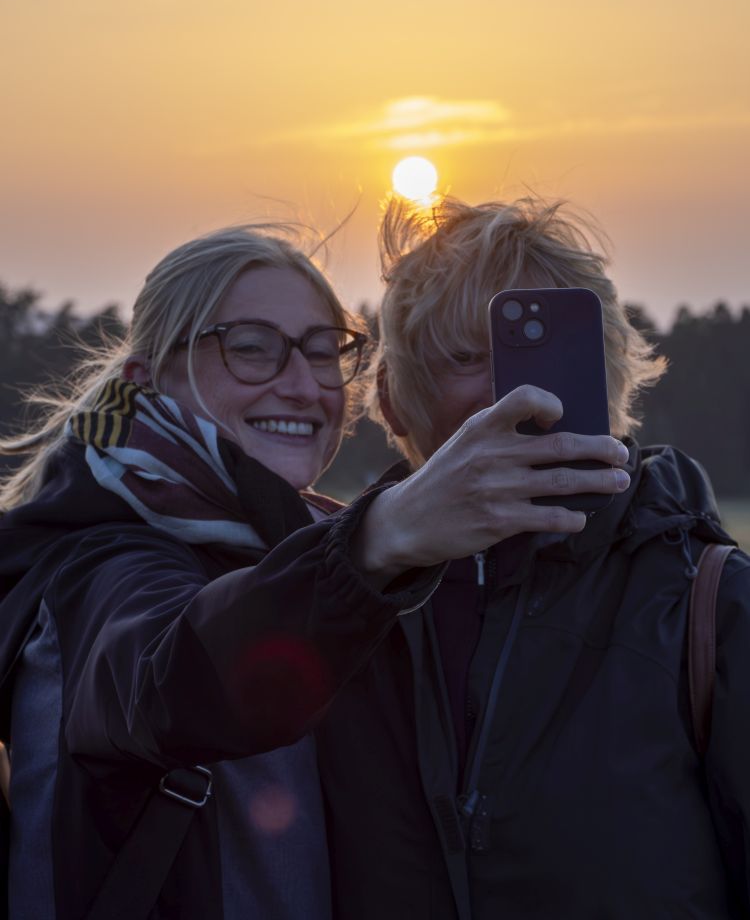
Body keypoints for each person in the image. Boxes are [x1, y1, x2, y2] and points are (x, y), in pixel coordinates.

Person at [0, 217, 629, 920]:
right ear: (147, 377)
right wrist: (378, 537)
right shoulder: (100, 560)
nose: (302, 384)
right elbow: (168, 680)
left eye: (324, 351)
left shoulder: (315, 547)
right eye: (250, 349)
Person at [315, 196, 750, 919]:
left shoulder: (709, 606)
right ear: (395, 403)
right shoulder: (345, 605)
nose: (517, 390)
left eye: (552, 351)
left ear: (611, 381)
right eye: (466, 358)